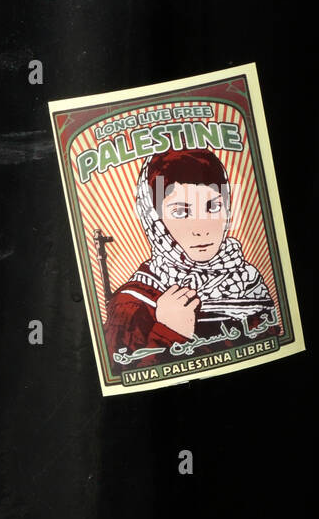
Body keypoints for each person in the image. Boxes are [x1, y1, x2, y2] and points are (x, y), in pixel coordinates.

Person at [103, 148, 280, 369]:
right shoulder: (131, 303)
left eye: (213, 207)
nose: (201, 228)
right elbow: (122, 376)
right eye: (181, 212)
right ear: (154, 220)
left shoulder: (249, 281)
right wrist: (169, 332)